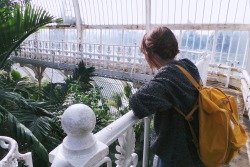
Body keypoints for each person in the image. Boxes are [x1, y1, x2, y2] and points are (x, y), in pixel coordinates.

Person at [129, 26, 205, 167]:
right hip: (198, 145)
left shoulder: (166, 80)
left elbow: (136, 103)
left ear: (152, 54)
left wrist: (157, 78)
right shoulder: (188, 65)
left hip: (178, 155)